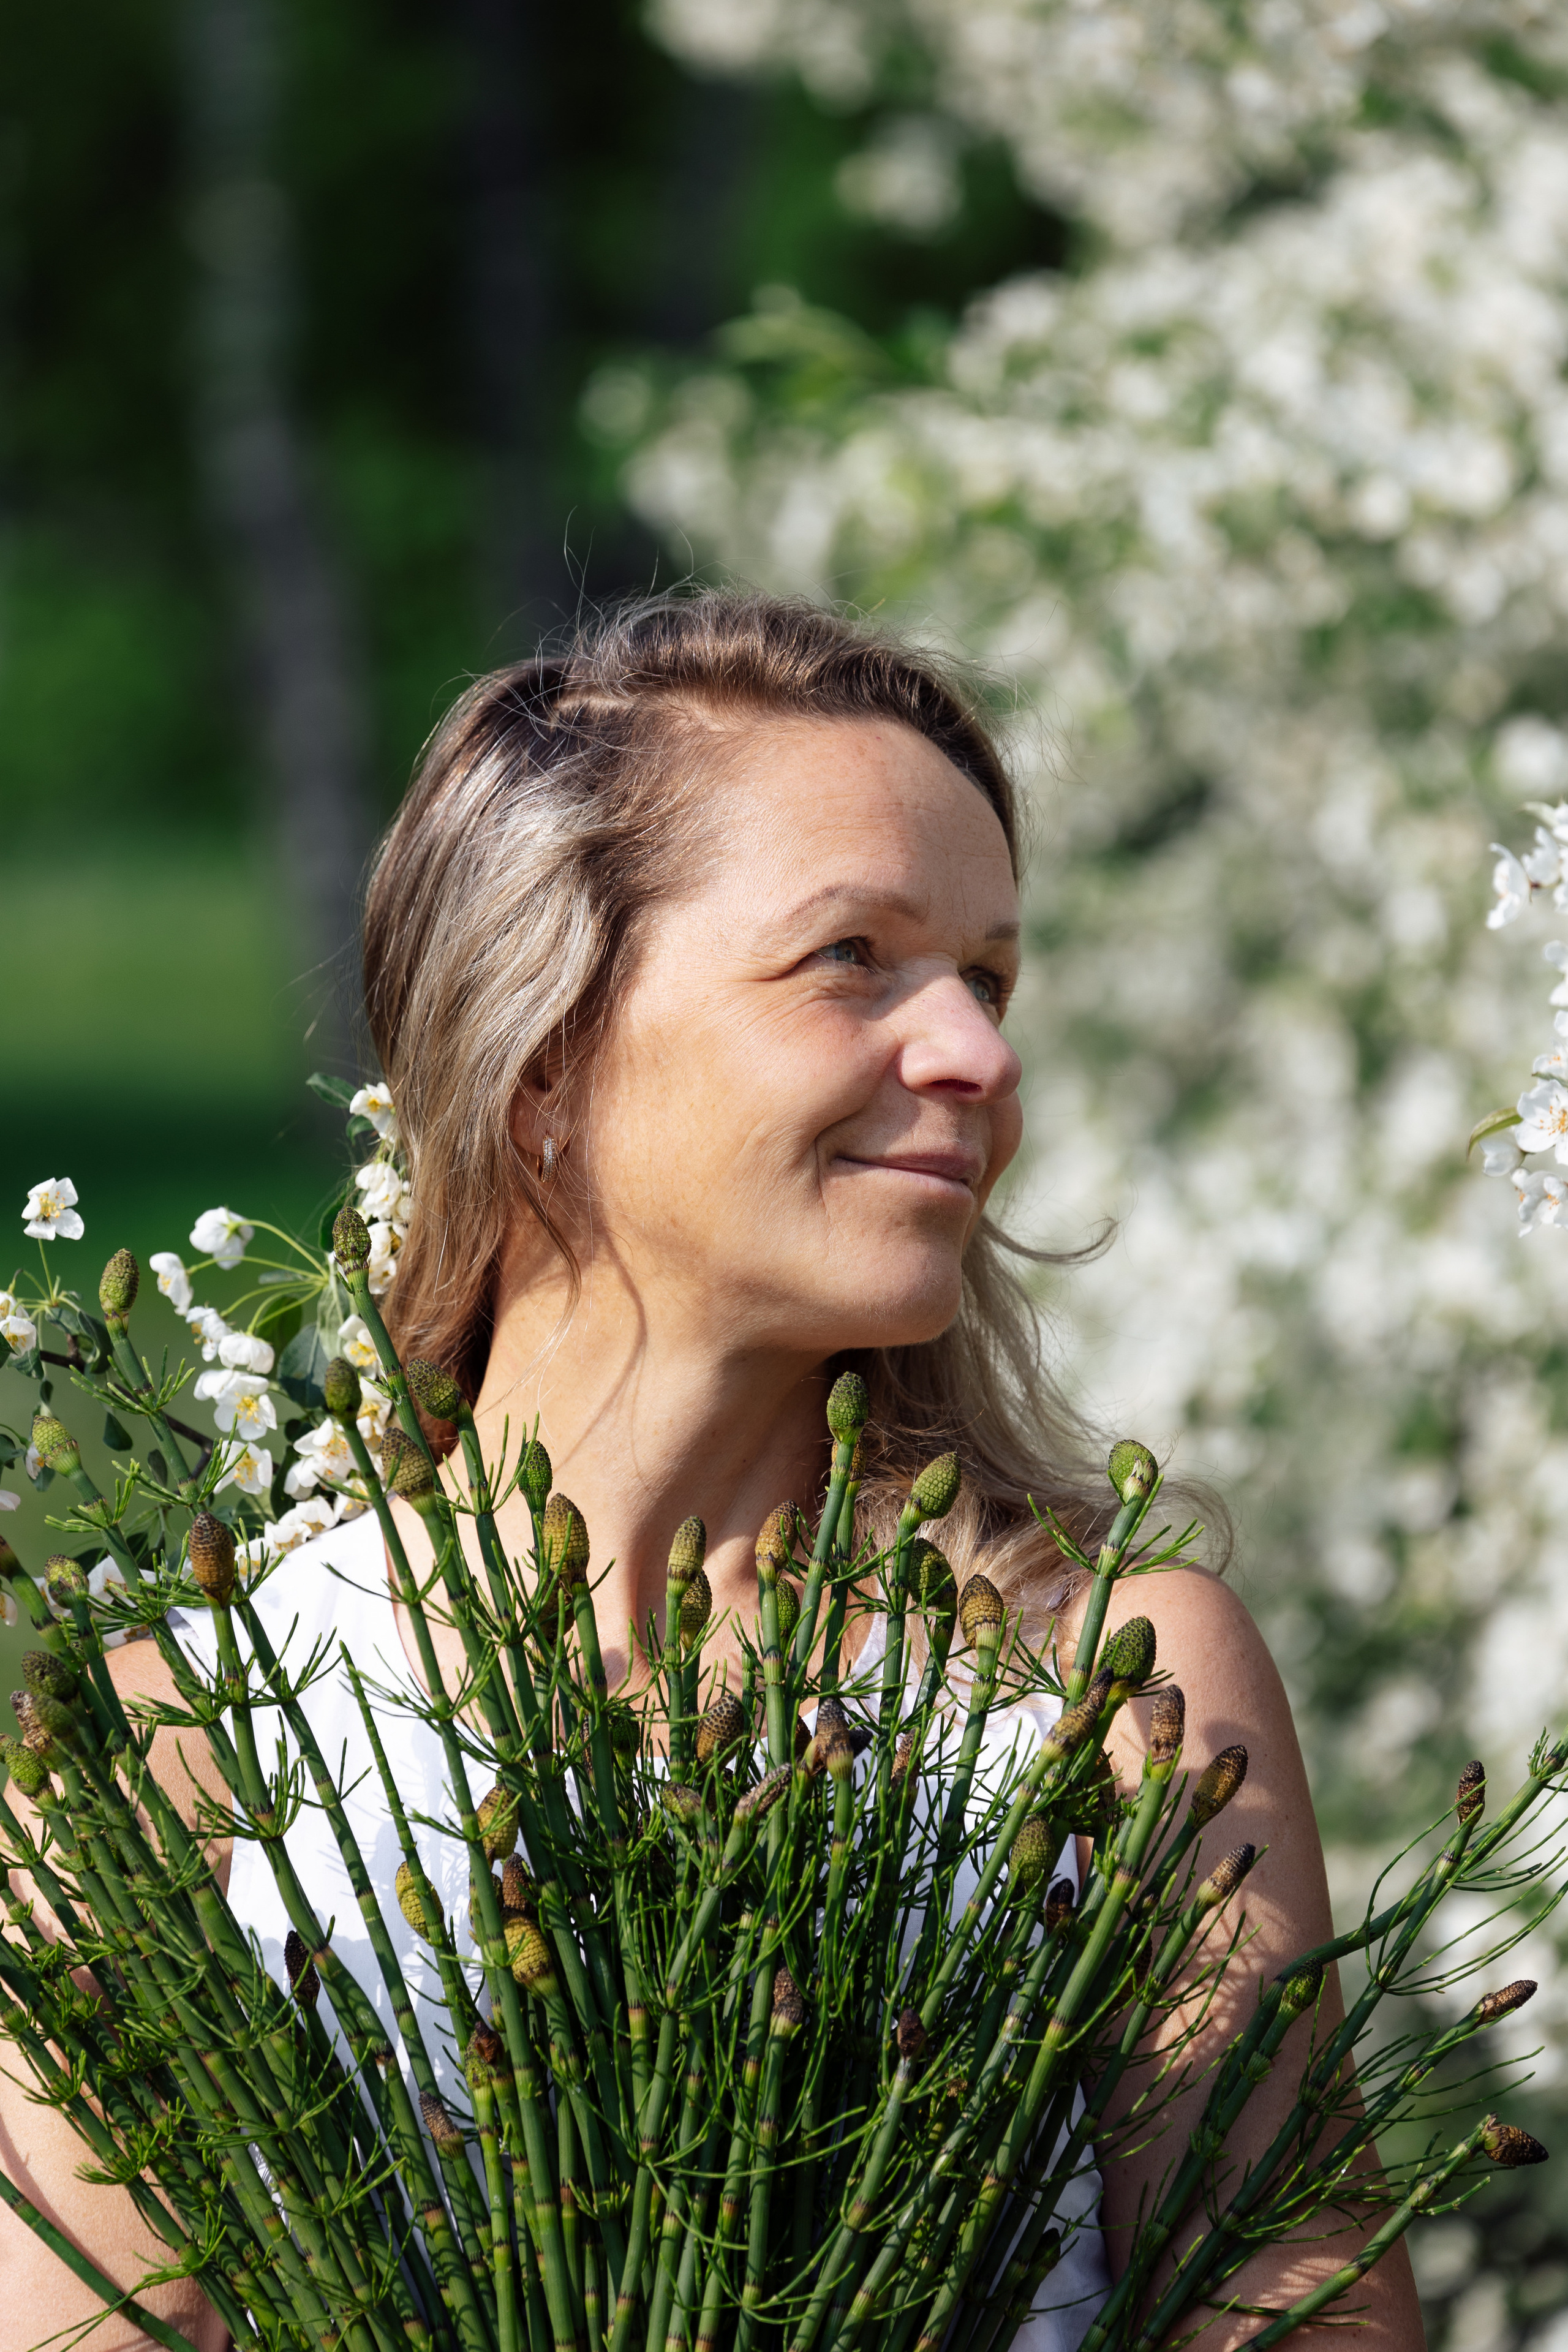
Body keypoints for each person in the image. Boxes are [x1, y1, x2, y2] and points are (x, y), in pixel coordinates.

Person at [0, 591, 1424, 2352]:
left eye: (989, 977)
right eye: (854, 957)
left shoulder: (1103, 1689)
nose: (980, 1055)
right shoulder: (176, 1756)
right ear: (544, 1056)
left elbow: (1297, 2302)